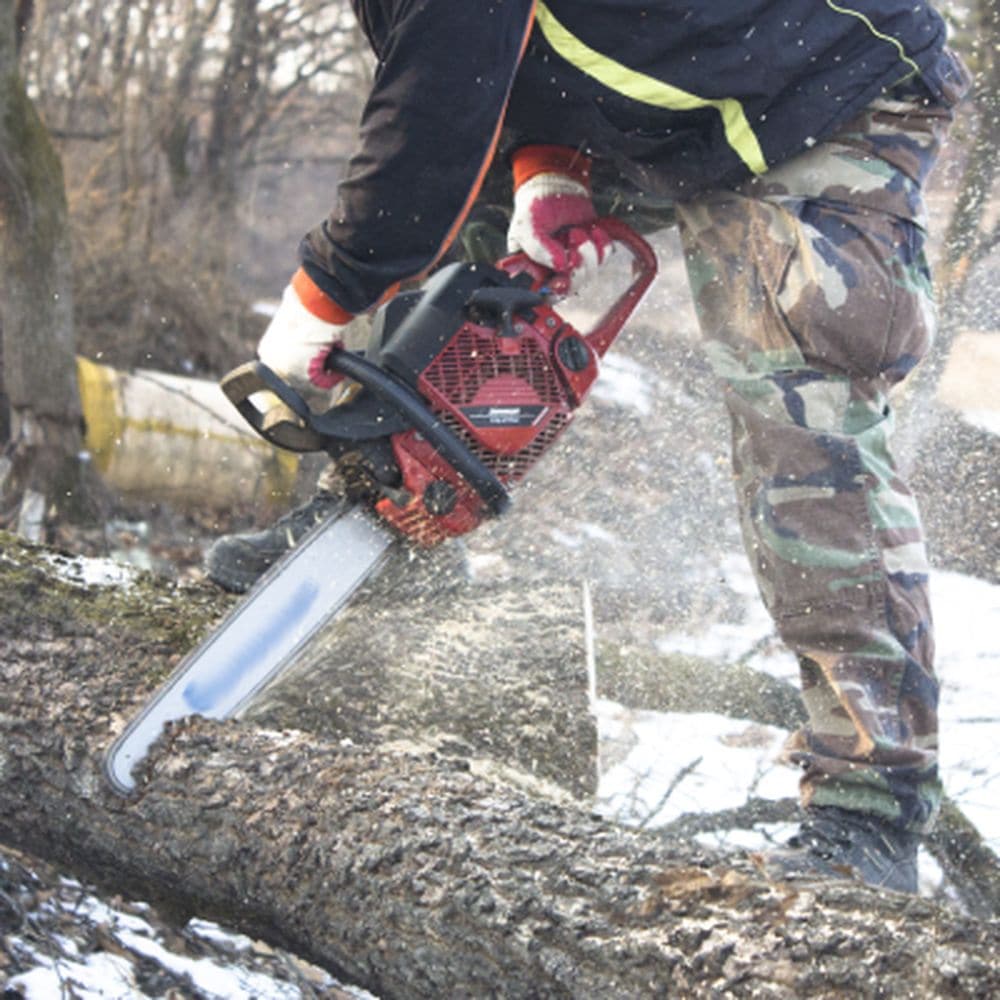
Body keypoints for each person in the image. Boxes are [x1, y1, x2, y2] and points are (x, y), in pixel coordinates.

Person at [206, 1, 970, 893]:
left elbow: (431, 120)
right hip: (687, 93)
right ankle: (388, 508)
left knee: (796, 393)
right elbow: (508, 62)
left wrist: (323, 294)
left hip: (826, 80)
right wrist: (548, 170)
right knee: (479, 231)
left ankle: (870, 807)